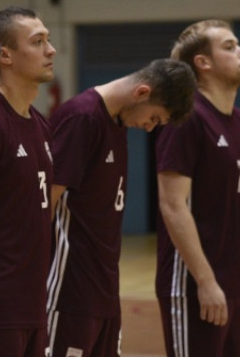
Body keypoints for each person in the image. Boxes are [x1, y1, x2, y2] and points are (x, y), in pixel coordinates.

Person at [46, 58, 196, 356]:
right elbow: (43, 204)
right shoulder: (82, 117)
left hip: (104, 290)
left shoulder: (117, 122)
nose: (150, 127)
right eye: (154, 118)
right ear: (141, 93)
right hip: (70, 289)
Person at [154, 20, 240, 356]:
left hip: (234, 285)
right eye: (229, 46)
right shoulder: (187, 118)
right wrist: (205, 281)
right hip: (194, 284)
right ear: (204, 63)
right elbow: (172, 205)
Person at [0, 7, 56, 356]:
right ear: (5, 55)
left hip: (34, 301)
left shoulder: (40, 125)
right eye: (38, 42)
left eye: (48, 40)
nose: (50, 50)